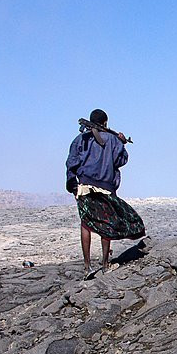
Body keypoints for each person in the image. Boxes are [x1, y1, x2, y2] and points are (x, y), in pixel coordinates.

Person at [66, 109, 146, 278]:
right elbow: (120, 160)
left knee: (86, 223)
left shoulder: (79, 140)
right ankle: (104, 264)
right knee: (106, 223)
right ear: (105, 123)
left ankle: (87, 267)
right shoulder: (113, 140)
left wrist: (72, 185)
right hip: (105, 186)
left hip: (84, 187)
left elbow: (71, 163)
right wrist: (122, 143)